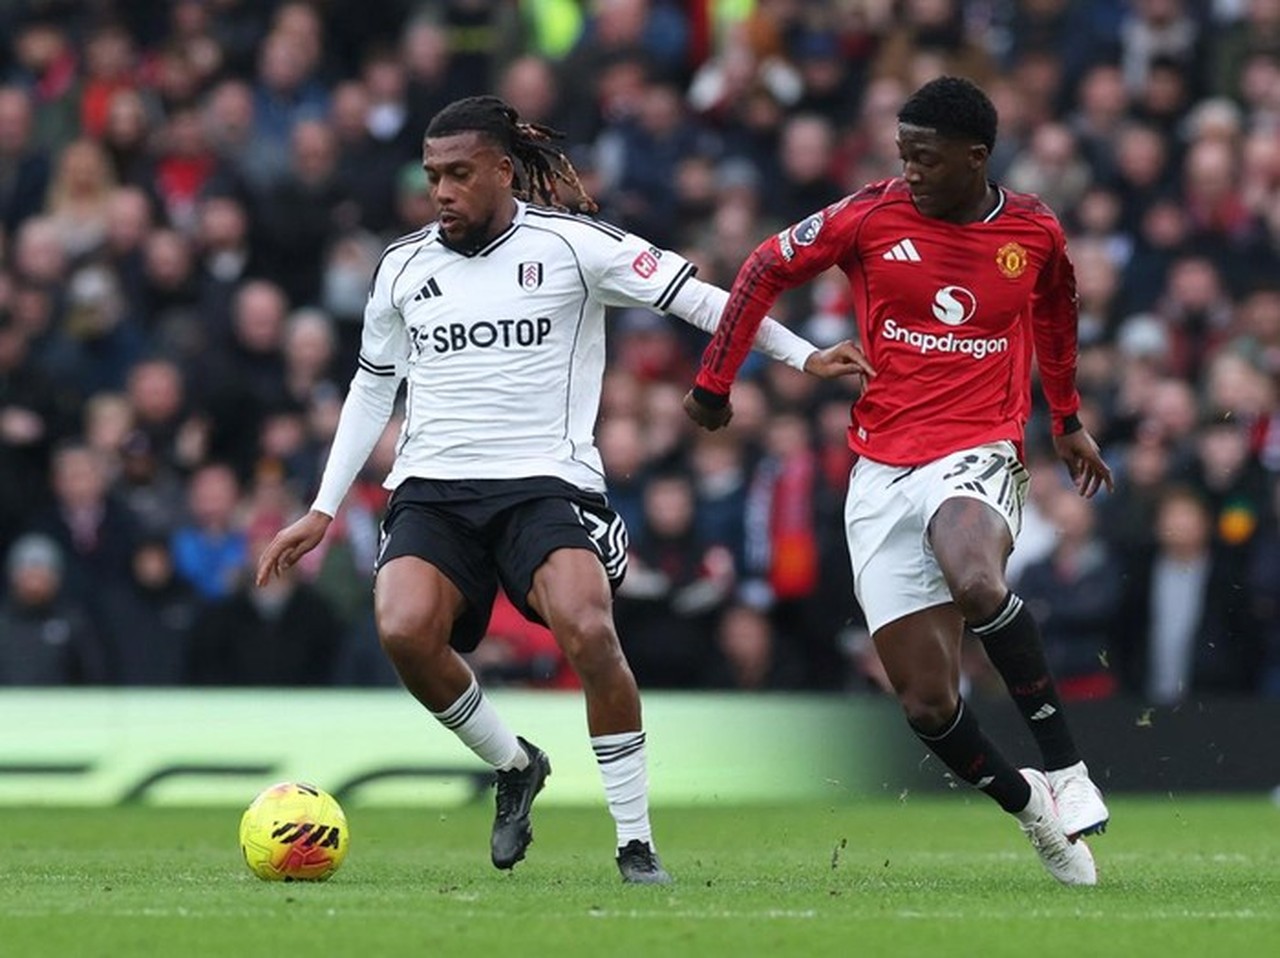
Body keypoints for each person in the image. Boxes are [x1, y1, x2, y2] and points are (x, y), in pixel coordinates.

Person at [256, 95, 866, 884]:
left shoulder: (576, 246)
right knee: (404, 631)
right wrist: (321, 507)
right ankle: (514, 765)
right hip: (433, 488)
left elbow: (701, 298)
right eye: (432, 175)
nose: (440, 191)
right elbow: (373, 388)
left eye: (458, 174)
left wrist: (803, 356)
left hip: (545, 485)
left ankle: (634, 841)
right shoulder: (403, 266)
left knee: (587, 627)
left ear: (503, 171)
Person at [683, 76, 1112, 886]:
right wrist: (714, 382)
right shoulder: (869, 216)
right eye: (902, 154)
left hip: (979, 447)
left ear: (976, 157)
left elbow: (1056, 314)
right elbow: (761, 267)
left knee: (976, 577)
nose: (909, 170)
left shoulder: (1034, 231)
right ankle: (1032, 810)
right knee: (926, 705)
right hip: (880, 468)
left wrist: (1065, 419)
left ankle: (1066, 769)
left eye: (925, 157)